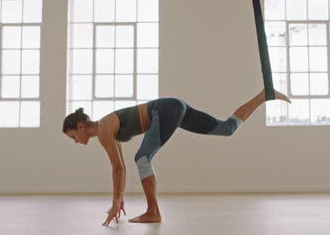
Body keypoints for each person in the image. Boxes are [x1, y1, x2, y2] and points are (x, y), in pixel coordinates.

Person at [62, 89, 290, 226]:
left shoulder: (103, 129)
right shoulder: (106, 127)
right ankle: (263, 96)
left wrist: (114, 202)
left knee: (143, 158)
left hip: (164, 110)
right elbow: (119, 167)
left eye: (73, 136)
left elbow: (117, 169)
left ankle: (153, 212)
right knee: (227, 128)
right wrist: (119, 197)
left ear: (80, 127)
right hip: (173, 106)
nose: (75, 142)